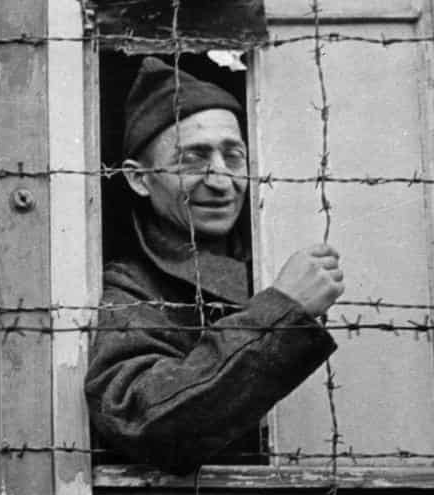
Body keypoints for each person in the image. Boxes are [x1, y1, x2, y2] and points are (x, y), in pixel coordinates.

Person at [85, 57, 345, 473]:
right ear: (138, 179)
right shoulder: (129, 287)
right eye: (193, 159)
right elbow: (143, 420)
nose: (222, 180)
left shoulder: (271, 257)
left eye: (234, 156)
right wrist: (281, 313)